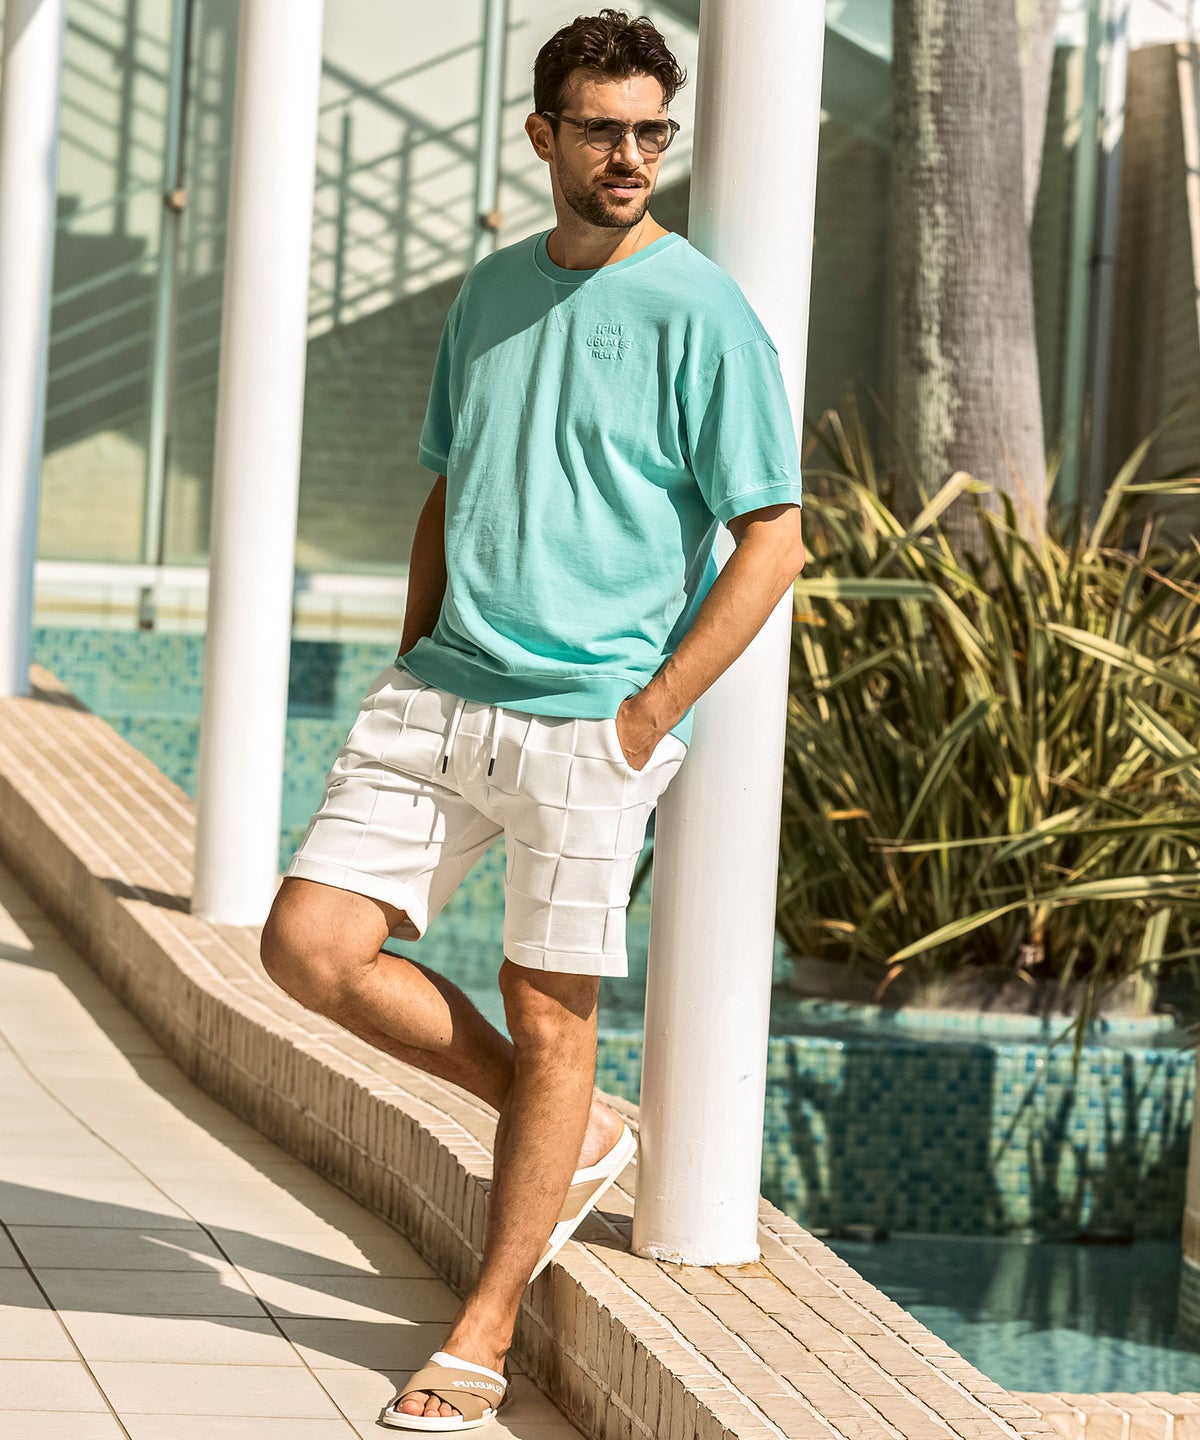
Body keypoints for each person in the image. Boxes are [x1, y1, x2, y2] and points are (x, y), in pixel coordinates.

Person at [260, 7, 805, 1431]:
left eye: (651, 133)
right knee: (307, 947)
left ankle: (484, 1327)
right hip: (443, 690)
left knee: (551, 1013)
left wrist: (649, 713)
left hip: (590, 721)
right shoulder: (492, 290)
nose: (630, 157)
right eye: (602, 131)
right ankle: (570, 1130)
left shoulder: (702, 311)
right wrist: (410, 653)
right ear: (543, 135)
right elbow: (449, 481)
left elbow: (773, 537)